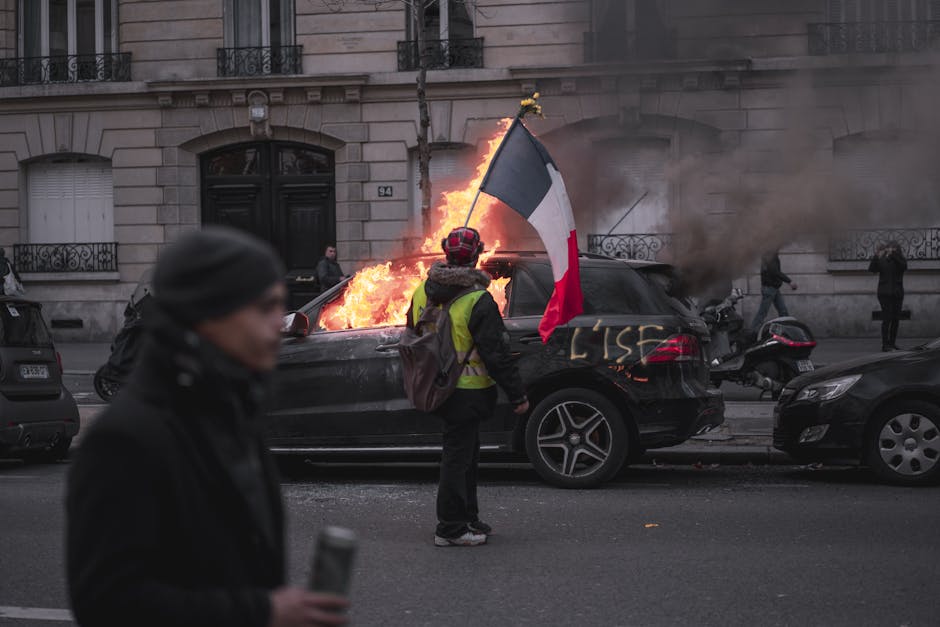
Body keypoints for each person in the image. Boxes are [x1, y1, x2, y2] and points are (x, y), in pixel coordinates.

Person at [66, 227, 348, 627]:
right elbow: (107, 603)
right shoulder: (126, 438)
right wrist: (263, 613)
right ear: (208, 317)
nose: (280, 325)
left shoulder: (229, 409)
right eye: (264, 309)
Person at [407, 227, 529, 547]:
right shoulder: (478, 299)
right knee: (458, 458)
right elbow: (497, 353)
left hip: (436, 385)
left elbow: (412, 331)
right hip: (468, 390)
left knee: (466, 455)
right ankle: (449, 528)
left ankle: (467, 518)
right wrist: (517, 394)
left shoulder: (423, 290)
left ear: (446, 252)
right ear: (476, 257)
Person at [869, 240, 907, 352]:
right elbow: (872, 269)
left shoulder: (900, 260)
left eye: (893, 248)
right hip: (884, 293)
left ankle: (892, 343)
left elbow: (903, 266)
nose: (890, 250)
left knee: (896, 319)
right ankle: (885, 345)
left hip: (897, 293)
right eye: (889, 248)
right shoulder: (882, 260)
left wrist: (893, 254)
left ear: (897, 250)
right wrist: (876, 256)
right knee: (887, 318)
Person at [751, 249, 798, 330]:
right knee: (763, 313)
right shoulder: (770, 255)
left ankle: (788, 330)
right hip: (770, 288)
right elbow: (775, 271)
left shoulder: (768, 254)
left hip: (773, 288)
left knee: (783, 311)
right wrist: (789, 281)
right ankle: (752, 331)